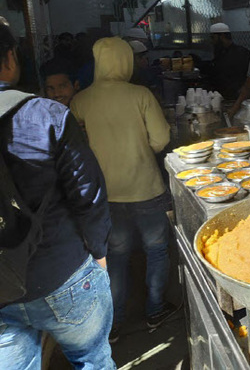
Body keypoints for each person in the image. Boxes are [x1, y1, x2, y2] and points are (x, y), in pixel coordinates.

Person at [0, 24, 114, 368]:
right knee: (93, 359)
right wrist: (100, 254)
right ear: (9, 59)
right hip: (62, 274)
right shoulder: (46, 115)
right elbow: (88, 196)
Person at [70, 37, 178, 343]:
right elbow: (160, 140)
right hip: (146, 189)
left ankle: (115, 325)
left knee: (115, 258)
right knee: (156, 251)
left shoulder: (82, 100)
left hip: (106, 195)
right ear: (126, 60)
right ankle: (155, 311)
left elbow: (76, 148)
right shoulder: (140, 94)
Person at [208, 22, 250, 100]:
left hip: (236, 98)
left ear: (222, 36)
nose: (212, 41)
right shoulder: (220, 53)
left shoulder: (241, 53)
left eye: (213, 38)